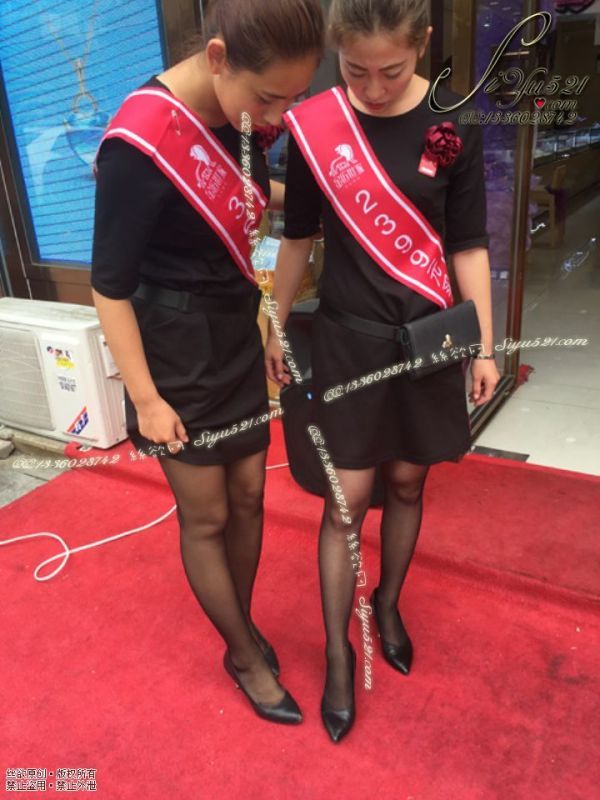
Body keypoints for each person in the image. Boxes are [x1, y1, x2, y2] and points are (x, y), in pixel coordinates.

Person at [266, 0, 500, 742]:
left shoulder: (454, 120)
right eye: (354, 69)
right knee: (347, 500)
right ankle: (339, 653)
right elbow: (298, 237)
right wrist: (273, 321)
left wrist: (485, 346)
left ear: (422, 43)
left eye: (390, 71)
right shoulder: (318, 125)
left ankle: (388, 603)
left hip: (428, 340)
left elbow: (468, 245)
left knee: (406, 482)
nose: (371, 87)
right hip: (349, 342)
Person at [91, 0, 324, 726]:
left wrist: (316, 202)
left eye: (292, 99)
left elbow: (246, 200)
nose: (277, 117)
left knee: (251, 494)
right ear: (218, 57)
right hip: (173, 349)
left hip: (233, 330)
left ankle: (240, 624)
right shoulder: (141, 142)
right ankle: (244, 654)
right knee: (208, 512)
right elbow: (108, 289)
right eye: (269, 98)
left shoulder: (241, 114)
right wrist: (147, 400)